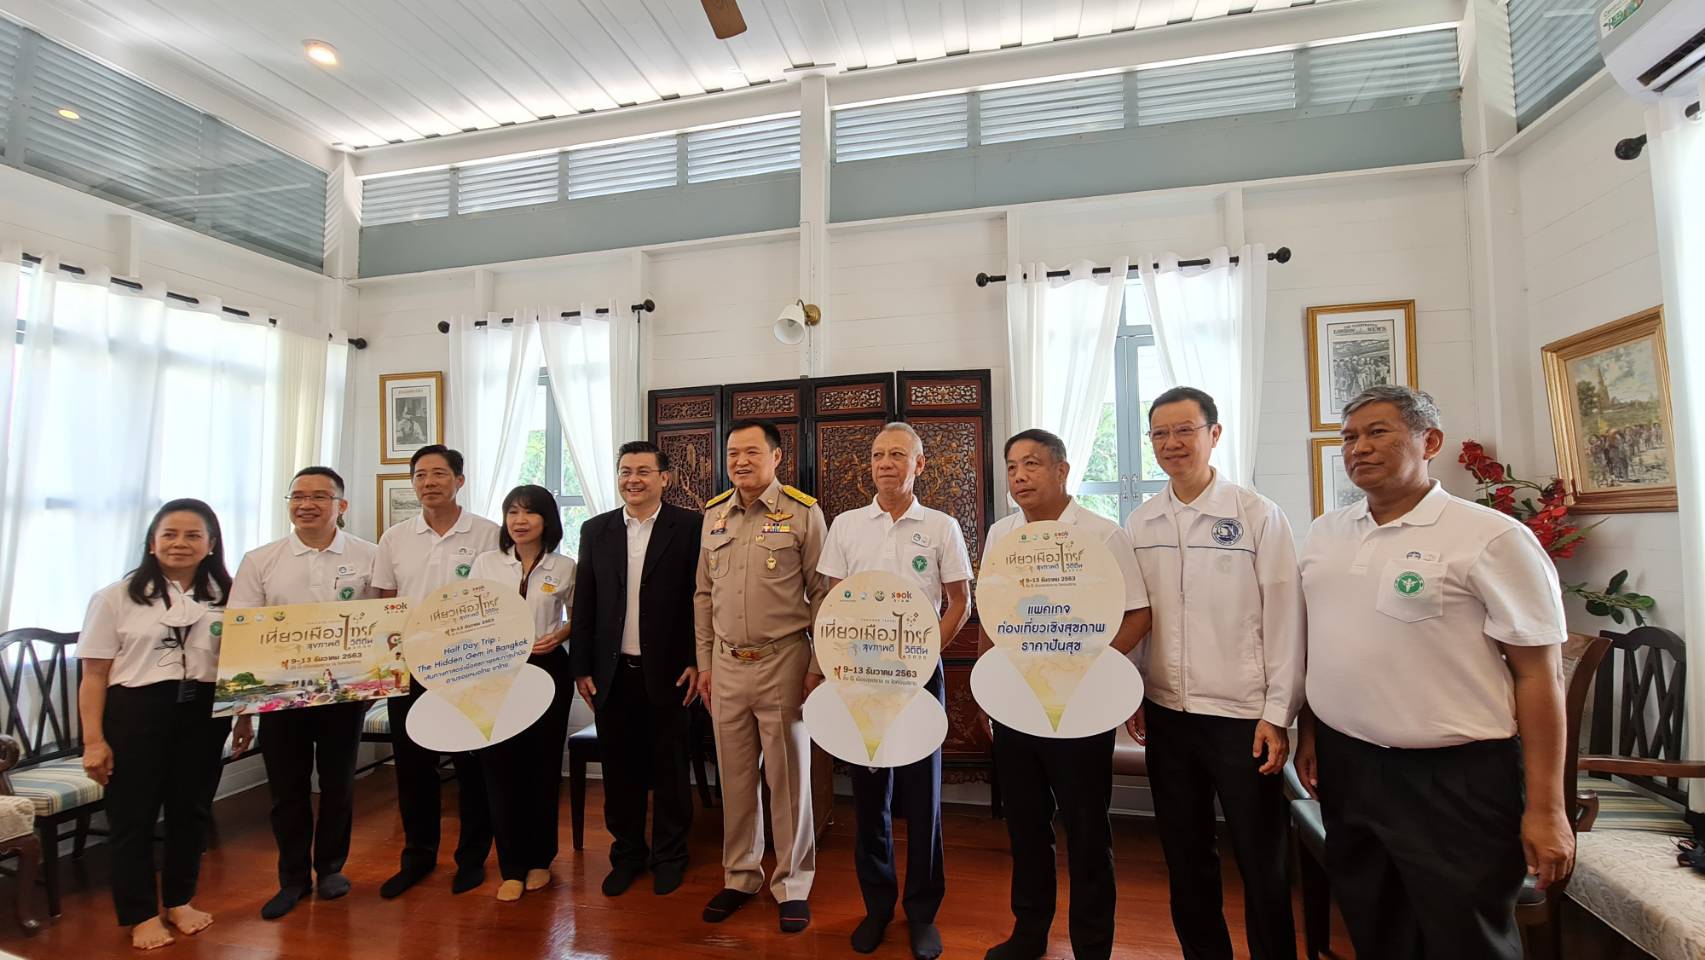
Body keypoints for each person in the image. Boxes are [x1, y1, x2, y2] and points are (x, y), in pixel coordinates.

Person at [1294, 385, 1572, 959]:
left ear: (1431, 442)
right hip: (1351, 769)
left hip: (1455, 779)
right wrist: (1313, 732)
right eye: (1349, 437)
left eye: (1378, 432)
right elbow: (1327, 645)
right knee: (1376, 926)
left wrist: (1546, 808)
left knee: (1465, 937)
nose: (1359, 448)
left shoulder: (1492, 537)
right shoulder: (1326, 534)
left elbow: (1540, 677)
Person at [1122, 387, 1303, 960]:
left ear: (1214, 434)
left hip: (1242, 717)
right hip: (1168, 715)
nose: (1172, 444)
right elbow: (1135, 614)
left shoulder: (1256, 515)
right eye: (1160, 434)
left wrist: (1278, 714)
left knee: (1260, 856)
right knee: (1185, 854)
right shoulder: (1141, 519)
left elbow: (1286, 620)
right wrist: (1132, 691)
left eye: (1185, 431)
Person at [979, 429, 1151, 960]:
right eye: (1011, 467)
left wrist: (1090, 671)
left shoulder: (1101, 535)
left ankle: (1092, 945)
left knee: (1085, 829)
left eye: (1031, 464)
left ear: (1062, 471)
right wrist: (988, 689)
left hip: (1082, 708)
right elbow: (991, 613)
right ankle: (1029, 933)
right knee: (1027, 827)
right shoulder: (1000, 533)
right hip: (1016, 706)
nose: (1019, 477)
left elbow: (1138, 613)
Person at [817, 423, 972, 960]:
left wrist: (928, 651)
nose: (886, 463)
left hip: (921, 677)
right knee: (869, 794)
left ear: (919, 466)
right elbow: (834, 601)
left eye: (898, 455)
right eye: (879, 455)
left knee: (925, 797)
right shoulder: (847, 525)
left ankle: (922, 912)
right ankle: (877, 906)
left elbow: (959, 602)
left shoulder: (942, 526)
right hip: (861, 677)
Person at [77, 499, 251, 951]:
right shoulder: (115, 597)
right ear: (152, 543)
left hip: (203, 711)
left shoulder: (230, 597)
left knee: (190, 810)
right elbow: (94, 676)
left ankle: (179, 900)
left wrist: (243, 718)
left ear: (211, 545)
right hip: (137, 711)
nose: (180, 543)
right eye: (169, 534)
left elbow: (242, 666)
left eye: (194, 535)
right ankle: (138, 915)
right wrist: (93, 741)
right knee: (132, 816)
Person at [694, 419, 829, 933]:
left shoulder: (802, 512)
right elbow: (703, 596)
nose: (741, 462)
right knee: (735, 778)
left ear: (777, 457)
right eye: (733, 454)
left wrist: (818, 666)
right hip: (727, 665)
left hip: (785, 660)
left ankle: (793, 882)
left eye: (752, 452)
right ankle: (740, 876)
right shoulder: (714, 517)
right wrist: (705, 662)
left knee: (788, 779)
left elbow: (823, 592)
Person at [226, 467, 378, 920]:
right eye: (297, 496)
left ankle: (331, 868)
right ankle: (291, 878)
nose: (306, 504)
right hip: (280, 698)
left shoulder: (369, 556)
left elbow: (381, 622)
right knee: (287, 791)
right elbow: (242, 636)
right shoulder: (261, 559)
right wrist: (244, 710)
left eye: (319, 496)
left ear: (341, 506)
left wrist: (373, 684)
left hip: (343, 695)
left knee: (338, 785)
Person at [570, 441, 703, 898]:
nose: (633, 479)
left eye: (644, 471)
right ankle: (626, 854)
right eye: (625, 470)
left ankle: (670, 856)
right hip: (611, 674)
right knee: (620, 773)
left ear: (664, 478)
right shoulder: (596, 530)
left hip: (670, 672)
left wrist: (694, 658)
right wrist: (580, 666)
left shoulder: (690, 526)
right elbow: (584, 600)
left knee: (670, 771)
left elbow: (699, 600)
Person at [371, 444, 502, 898]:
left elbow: (501, 600)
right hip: (409, 670)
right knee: (413, 769)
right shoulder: (395, 538)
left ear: (459, 480)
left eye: (439, 474)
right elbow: (384, 601)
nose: (429, 483)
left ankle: (471, 859)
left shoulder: (488, 533)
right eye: (421, 475)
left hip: (468, 669)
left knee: (472, 768)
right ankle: (418, 857)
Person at [469, 484, 575, 902]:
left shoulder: (564, 566)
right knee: (499, 767)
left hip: (548, 670)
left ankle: (539, 861)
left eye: (529, 513)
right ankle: (510, 865)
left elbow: (579, 617)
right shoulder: (485, 563)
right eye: (512, 512)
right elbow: (470, 617)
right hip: (494, 672)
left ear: (546, 520)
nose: (520, 520)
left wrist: (558, 635)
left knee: (543, 767)